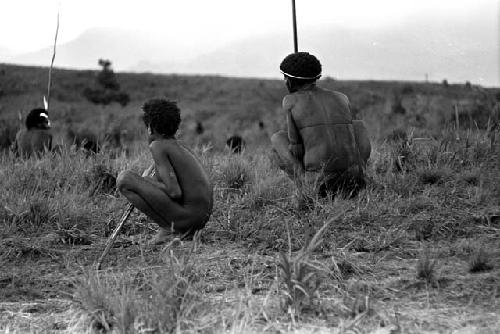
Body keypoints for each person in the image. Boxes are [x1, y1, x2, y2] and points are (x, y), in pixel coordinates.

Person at [270, 52, 371, 202]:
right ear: (316, 77)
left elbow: (296, 149)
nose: (285, 81)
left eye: (285, 78)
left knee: (277, 138)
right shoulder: (341, 97)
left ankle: (304, 186)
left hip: (321, 185)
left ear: (289, 80)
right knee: (358, 125)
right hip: (355, 183)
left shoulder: (290, 101)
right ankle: (360, 170)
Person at [117, 98, 213, 244]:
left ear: (149, 127)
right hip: (198, 220)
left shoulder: (157, 146)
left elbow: (174, 192)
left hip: (188, 218)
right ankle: (172, 231)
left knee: (125, 179)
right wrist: (150, 181)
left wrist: (146, 181)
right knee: (149, 178)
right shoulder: (177, 146)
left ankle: (171, 231)